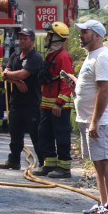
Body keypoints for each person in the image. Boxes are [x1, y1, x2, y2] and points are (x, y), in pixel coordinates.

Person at [72, 19, 108, 214]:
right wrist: (76, 84)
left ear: (97, 35)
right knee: (98, 161)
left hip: (100, 120)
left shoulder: (102, 57)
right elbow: (93, 86)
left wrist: (95, 121)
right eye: (81, 32)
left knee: (107, 159)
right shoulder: (92, 56)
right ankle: (104, 204)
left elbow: (104, 90)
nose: (81, 35)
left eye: (85, 32)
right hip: (88, 118)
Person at [0, 28, 42, 170]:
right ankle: (14, 161)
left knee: (36, 135)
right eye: (20, 38)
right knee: (15, 134)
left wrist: (11, 75)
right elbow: (4, 74)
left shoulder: (35, 57)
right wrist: (15, 81)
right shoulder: (15, 56)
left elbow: (23, 74)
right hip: (16, 102)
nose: (22, 41)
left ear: (32, 41)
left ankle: (43, 163)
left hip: (32, 103)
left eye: (25, 38)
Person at [33, 21, 75, 178]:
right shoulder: (51, 55)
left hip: (59, 107)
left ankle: (64, 168)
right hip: (47, 105)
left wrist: (59, 103)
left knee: (61, 135)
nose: (45, 38)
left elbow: (67, 82)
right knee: (45, 134)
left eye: (49, 35)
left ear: (56, 39)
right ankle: (49, 165)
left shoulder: (63, 56)